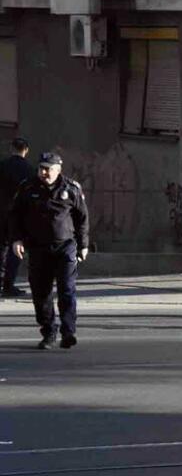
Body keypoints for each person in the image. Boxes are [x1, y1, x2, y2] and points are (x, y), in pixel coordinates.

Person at [9, 152, 89, 349]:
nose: (44, 173)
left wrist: (84, 245)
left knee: (67, 289)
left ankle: (68, 332)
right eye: (41, 168)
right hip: (38, 248)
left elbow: (82, 218)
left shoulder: (71, 188)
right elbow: (15, 215)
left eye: (49, 169)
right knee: (41, 293)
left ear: (58, 170)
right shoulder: (27, 188)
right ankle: (49, 331)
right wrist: (17, 239)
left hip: (65, 247)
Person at [0, 138, 34, 297]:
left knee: (1, 247)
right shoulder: (30, 169)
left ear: (11, 148)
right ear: (26, 150)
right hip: (19, 215)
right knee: (16, 248)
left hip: (1, 212)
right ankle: (8, 285)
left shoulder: (2, 165)